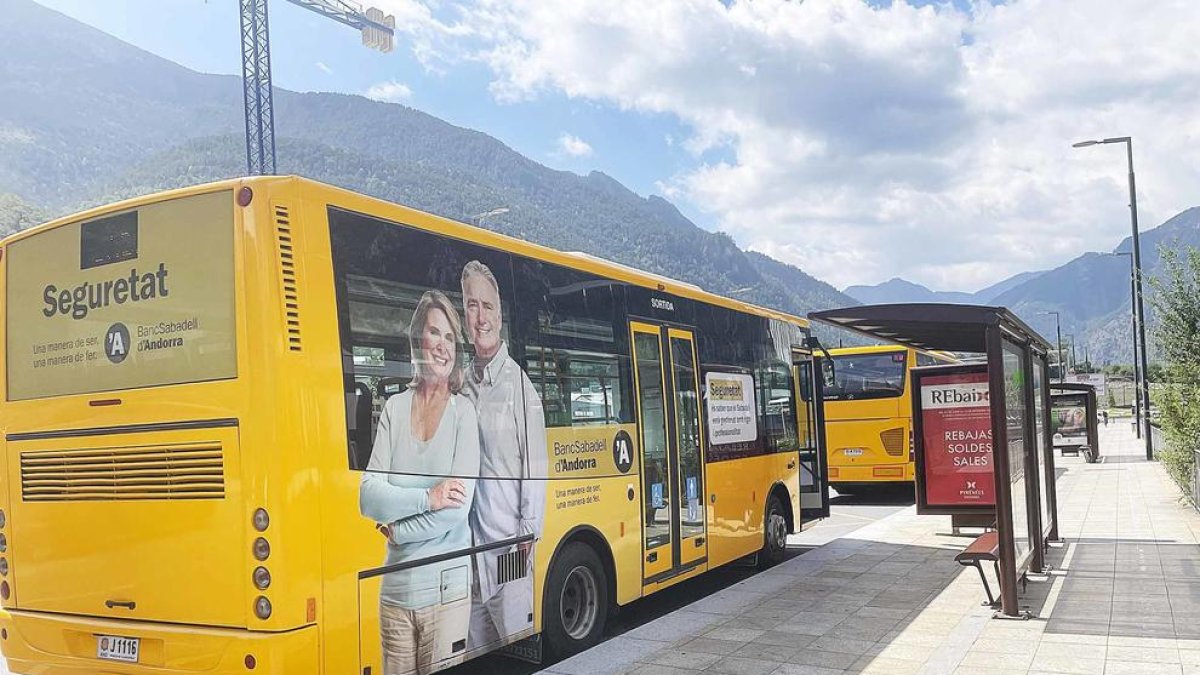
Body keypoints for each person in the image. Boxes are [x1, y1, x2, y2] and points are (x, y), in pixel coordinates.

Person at [359, 290, 481, 675]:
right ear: (418, 339)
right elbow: (368, 497)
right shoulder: (394, 408)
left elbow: (457, 510)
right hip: (395, 593)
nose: (442, 346)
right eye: (434, 333)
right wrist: (429, 497)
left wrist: (397, 531)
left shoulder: (464, 414)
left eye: (450, 337)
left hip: (446, 592)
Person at [460, 260, 548, 650]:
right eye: (472, 305)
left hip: (508, 549)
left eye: (488, 306)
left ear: (499, 315)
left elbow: (536, 467)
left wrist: (525, 537)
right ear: (464, 315)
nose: (480, 317)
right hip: (472, 554)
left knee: (515, 643)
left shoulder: (519, 387)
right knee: (477, 654)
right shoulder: (462, 384)